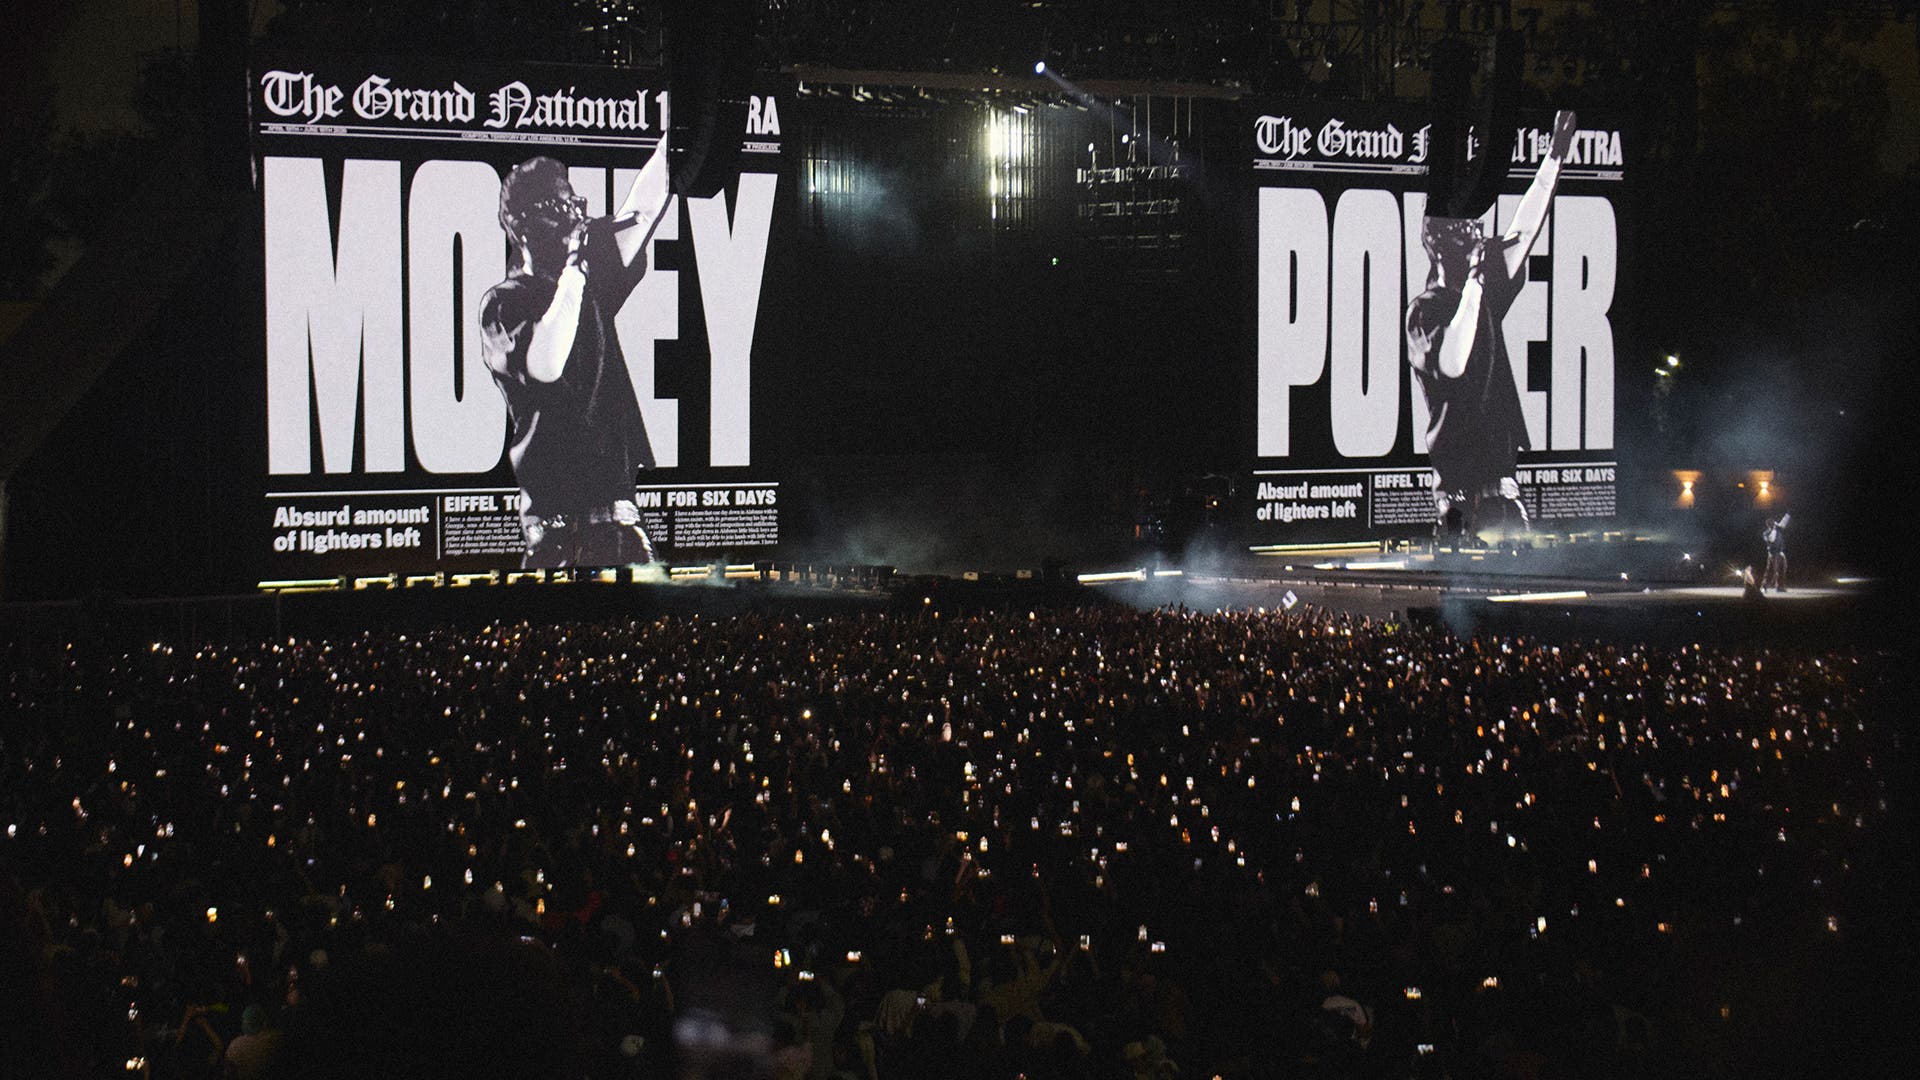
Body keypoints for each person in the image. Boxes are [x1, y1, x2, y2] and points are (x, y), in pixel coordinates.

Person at [482, 133, 676, 569]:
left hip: (614, 511)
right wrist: (574, 267)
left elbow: (641, 213)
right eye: (561, 206)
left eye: (575, 203)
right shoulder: (505, 303)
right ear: (527, 223)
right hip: (553, 522)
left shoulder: (589, 276)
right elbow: (547, 363)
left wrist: (671, 143)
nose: (575, 215)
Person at [1406, 110, 1578, 540]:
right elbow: (1453, 362)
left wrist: (1554, 156)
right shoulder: (1425, 310)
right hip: (1456, 471)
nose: (1477, 236)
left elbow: (1526, 226)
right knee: (1457, 556)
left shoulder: (1483, 281)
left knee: (1514, 553)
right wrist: (1477, 283)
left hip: (1500, 469)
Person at [1762, 512, 1790, 592]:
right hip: (1773, 554)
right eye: (1773, 523)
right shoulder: (1766, 533)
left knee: (1782, 569)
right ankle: (1764, 586)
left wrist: (1787, 515)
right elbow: (1772, 539)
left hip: (1780, 552)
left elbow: (1783, 524)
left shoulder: (1777, 529)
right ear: (1769, 525)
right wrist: (1774, 529)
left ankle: (1779, 586)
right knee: (1772, 570)